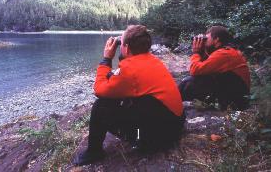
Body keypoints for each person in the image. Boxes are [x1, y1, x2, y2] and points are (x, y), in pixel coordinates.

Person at [73, 25, 185, 166]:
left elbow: (99, 90)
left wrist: (107, 59)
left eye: (121, 41)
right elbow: (124, 78)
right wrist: (120, 60)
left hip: (158, 139)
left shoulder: (130, 70)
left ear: (125, 47)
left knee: (101, 106)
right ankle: (141, 135)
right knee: (120, 92)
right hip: (174, 126)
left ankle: (94, 151)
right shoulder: (151, 60)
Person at [179, 26, 250, 110]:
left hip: (237, 100)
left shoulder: (224, 54)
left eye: (206, 38)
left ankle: (174, 103)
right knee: (194, 80)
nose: (204, 41)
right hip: (234, 93)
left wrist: (196, 52)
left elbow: (195, 70)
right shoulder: (227, 51)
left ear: (216, 39)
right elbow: (205, 67)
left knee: (190, 82)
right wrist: (202, 51)